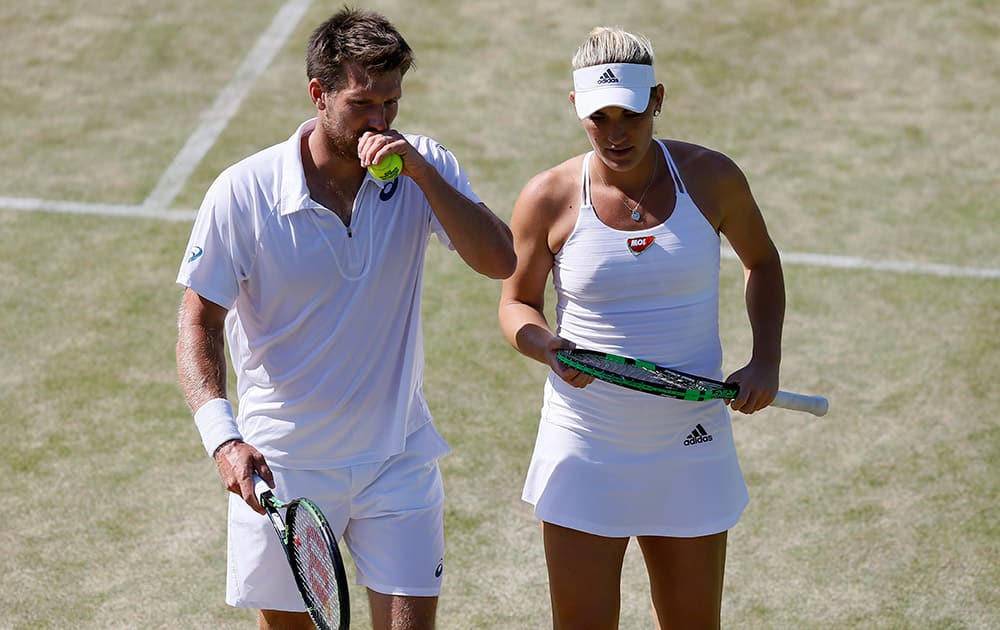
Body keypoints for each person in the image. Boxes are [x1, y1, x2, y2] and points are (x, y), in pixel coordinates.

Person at [175, 7, 515, 629]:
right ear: (319, 93)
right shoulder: (243, 192)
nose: (380, 120)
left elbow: (499, 259)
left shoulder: (423, 164)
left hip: (398, 457)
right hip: (287, 469)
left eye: (392, 101)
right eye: (364, 103)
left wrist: (423, 174)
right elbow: (198, 322)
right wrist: (223, 438)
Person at [498, 26, 785, 629]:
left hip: (690, 442)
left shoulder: (713, 178)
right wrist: (548, 347)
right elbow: (517, 304)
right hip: (585, 445)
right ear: (575, 106)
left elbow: (762, 262)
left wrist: (766, 360)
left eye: (629, 112)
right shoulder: (547, 197)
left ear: (656, 99)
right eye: (598, 116)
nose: (615, 131)